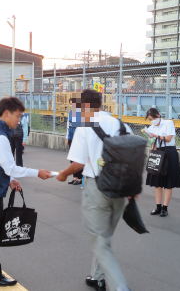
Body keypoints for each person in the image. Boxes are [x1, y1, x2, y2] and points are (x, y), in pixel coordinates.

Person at [0, 96, 53, 286]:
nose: (19, 120)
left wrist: (11, 180)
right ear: (6, 113)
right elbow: (10, 167)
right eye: (18, 115)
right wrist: (37, 173)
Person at [56, 89, 133, 291]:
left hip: (96, 188)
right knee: (104, 236)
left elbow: (78, 164)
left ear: (86, 106)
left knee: (99, 241)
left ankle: (120, 286)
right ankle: (97, 277)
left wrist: (63, 174)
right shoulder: (123, 126)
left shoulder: (85, 128)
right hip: (120, 188)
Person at [145, 107, 180, 217]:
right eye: (150, 119)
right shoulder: (151, 127)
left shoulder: (168, 123)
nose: (152, 120)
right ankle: (158, 207)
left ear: (159, 115)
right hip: (158, 152)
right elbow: (153, 142)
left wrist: (155, 136)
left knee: (168, 183)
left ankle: (165, 208)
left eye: (153, 118)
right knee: (157, 183)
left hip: (169, 152)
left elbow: (169, 138)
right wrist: (152, 146)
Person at [65, 97, 83, 185]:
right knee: (72, 158)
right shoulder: (71, 112)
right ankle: (75, 177)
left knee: (78, 159)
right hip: (71, 137)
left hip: (78, 139)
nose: (72, 105)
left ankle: (80, 178)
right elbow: (68, 125)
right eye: (71, 104)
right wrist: (67, 138)